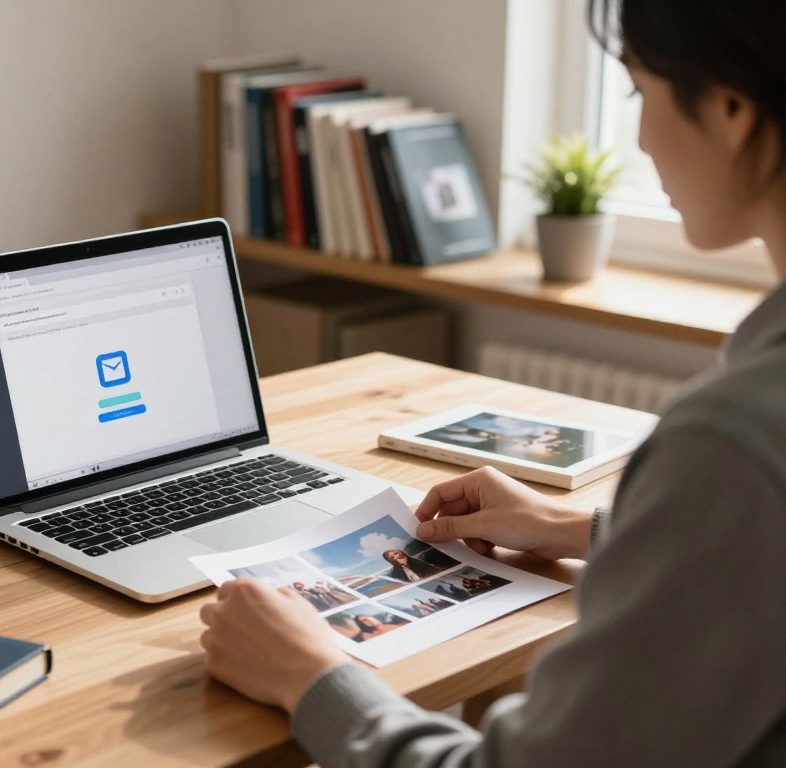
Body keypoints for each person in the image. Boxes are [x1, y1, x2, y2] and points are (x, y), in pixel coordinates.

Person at [198, 1, 786, 764]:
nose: (639, 137)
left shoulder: (731, 442)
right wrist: (573, 529)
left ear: (732, 106)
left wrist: (309, 672)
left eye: (640, 93)